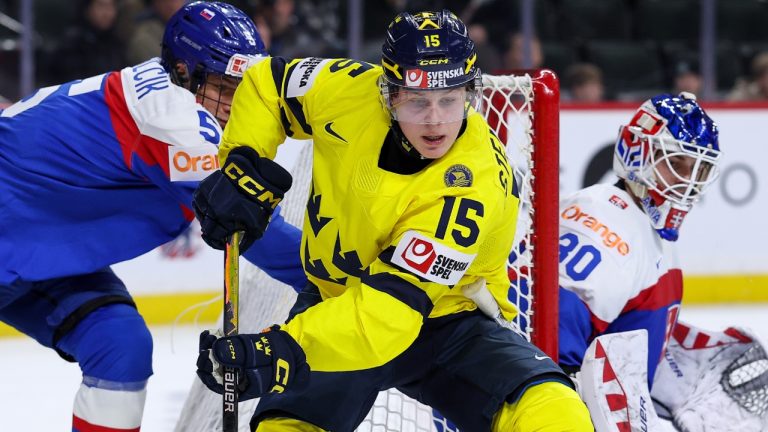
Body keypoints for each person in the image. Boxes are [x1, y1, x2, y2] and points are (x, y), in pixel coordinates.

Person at [192, 9, 593, 431]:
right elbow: (266, 82)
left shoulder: (473, 183)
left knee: (554, 411)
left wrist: (281, 350)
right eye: (417, 100)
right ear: (388, 93)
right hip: (338, 304)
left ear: (469, 94)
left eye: (450, 100)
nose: (436, 119)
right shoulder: (348, 89)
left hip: (449, 322)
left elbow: (388, 316)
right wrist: (243, 161)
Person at [0, 2, 304, 431]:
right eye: (226, 85)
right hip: (14, 237)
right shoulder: (172, 120)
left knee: (119, 346)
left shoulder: (169, 93)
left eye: (246, 84)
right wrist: (348, 284)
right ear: (184, 71)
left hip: (35, 252)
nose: (240, 101)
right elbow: (251, 224)